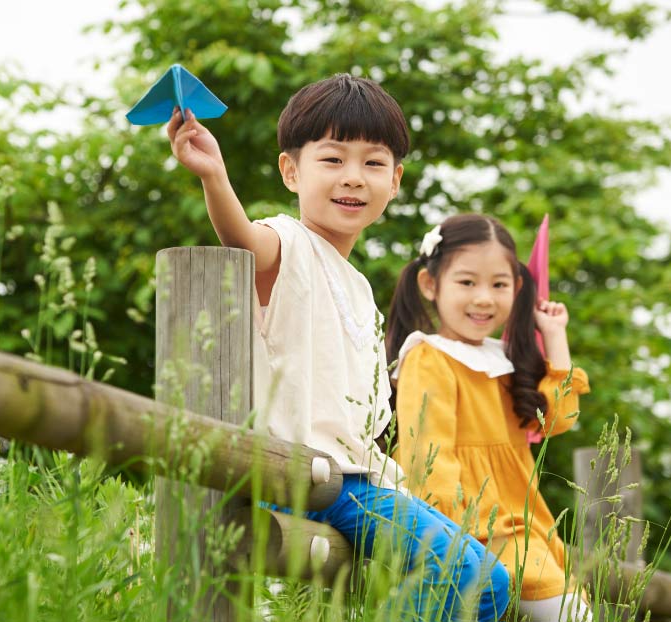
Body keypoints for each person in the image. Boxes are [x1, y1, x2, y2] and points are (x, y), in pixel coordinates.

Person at [166, 73, 509, 622]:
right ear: (291, 170)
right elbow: (244, 243)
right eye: (333, 159)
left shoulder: (359, 286)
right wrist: (214, 177)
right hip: (305, 474)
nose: (353, 178)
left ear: (395, 181)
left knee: (489, 573)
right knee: (477, 577)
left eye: (373, 164)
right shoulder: (287, 241)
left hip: (354, 479)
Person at [385, 213, 593, 622]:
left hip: (528, 527)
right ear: (430, 284)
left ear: (517, 289)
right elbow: (428, 459)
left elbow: (557, 420)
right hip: (477, 529)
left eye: (498, 285)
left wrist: (555, 335)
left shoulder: (503, 360)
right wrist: (454, 537)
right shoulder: (429, 356)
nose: (484, 298)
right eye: (466, 282)